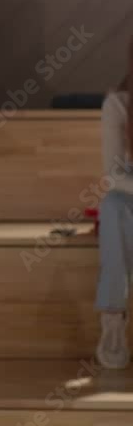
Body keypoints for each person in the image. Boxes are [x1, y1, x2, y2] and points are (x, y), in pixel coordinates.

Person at [95, 64, 132, 369]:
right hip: (130, 193)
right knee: (113, 208)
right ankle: (113, 321)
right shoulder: (117, 104)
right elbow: (113, 176)